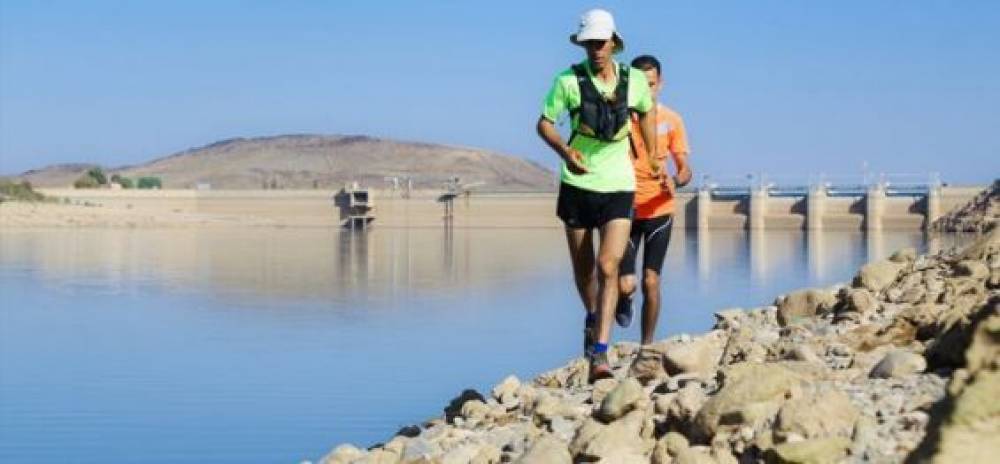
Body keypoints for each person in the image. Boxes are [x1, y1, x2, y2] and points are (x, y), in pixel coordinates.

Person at [536, 9, 657, 382]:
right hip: (577, 185)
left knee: (609, 266)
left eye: (600, 43)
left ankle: (601, 354)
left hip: (619, 185)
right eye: (589, 43)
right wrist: (564, 151)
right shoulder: (567, 81)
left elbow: (647, 114)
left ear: (613, 43)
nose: (595, 49)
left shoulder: (634, 81)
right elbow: (543, 123)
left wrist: (652, 156)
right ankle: (592, 316)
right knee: (584, 268)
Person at [615, 54, 693, 346]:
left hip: (660, 209)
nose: (646, 90)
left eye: (651, 84)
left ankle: (647, 346)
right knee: (626, 284)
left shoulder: (672, 120)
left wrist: (677, 179)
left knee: (651, 281)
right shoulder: (621, 118)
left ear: (660, 83)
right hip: (625, 209)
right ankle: (624, 299)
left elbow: (685, 168)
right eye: (640, 84)